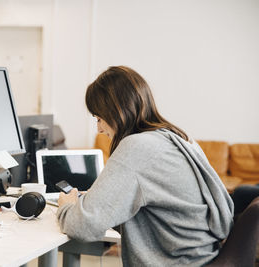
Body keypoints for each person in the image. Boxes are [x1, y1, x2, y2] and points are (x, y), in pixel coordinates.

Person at [56, 66, 234, 266]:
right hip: (202, 257)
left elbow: (83, 226)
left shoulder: (138, 146)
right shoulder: (179, 137)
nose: (98, 129)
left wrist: (67, 207)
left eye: (99, 118)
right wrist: (102, 200)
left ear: (116, 112)